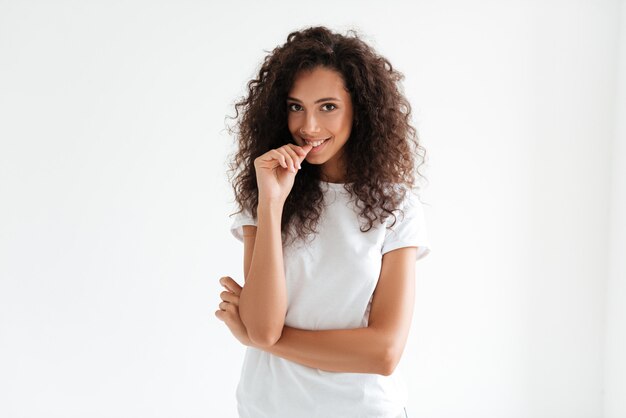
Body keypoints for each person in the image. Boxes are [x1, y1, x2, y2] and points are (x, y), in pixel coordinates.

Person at [215, 25, 431, 418]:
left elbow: (383, 353)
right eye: (296, 106)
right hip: (269, 407)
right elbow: (263, 327)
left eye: (327, 107)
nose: (309, 127)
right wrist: (271, 203)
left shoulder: (397, 206)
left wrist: (264, 341)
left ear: (359, 108)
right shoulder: (265, 194)